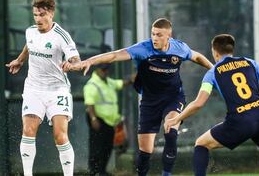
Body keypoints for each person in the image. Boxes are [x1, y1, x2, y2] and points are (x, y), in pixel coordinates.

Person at [63, 18, 213, 176]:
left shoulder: (179, 48)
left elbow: (197, 57)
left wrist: (215, 70)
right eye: (153, 34)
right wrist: (89, 61)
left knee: (170, 130)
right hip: (149, 101)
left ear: (169, 36)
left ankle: (166, 174)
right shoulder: (143, 48)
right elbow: (115, 55)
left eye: (159, 35)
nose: (155, 38)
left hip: (173, 97)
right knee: (145, 151)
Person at [164, 34, 259, 176]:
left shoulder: (213, 72)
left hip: (241, 121)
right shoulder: (250, 63)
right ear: (232, 49)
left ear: (215, 52)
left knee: (201, 144)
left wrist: (176, 119)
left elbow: (199, 103)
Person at [5, 0, 80, 176]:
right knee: (28, 130)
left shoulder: (62, 35)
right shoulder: (30, 31)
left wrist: (71, 64)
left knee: (60, 136)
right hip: (33, 89)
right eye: (36, 15)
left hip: (57, 90)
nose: (38, 19)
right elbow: (29, 45)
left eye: (42, 15)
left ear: (51, 13)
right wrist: (20, 60)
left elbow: (76, 60)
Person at [84, 63, 133, 176]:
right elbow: (89, 103)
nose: (106, 72)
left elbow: (119, 83)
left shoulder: (108, 81)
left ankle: (102, 171)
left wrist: (131, 80)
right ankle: (94, 171)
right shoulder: (92, 84)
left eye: (107, 70)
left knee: (107, 146)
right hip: (98, 119)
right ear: (97, 70)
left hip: (109, 121)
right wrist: (93, 118)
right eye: (103, 70)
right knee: (96, 146)